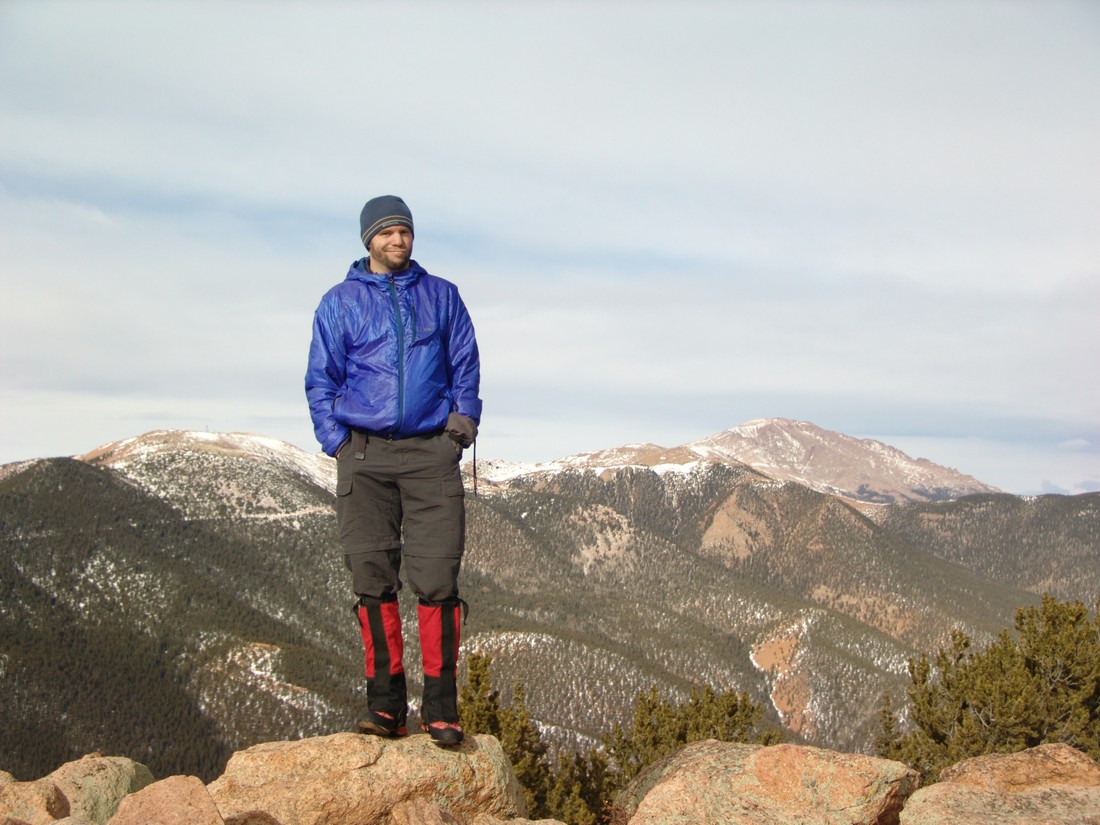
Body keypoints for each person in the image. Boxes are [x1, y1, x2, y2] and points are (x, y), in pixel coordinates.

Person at [305, 195, 482, 747]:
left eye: (404, 231)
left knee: (436, 582)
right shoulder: (339, 303)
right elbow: (320, 379)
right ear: (368, 240)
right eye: (386, 233)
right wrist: (336, 441)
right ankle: (385, 708)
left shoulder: (442, 297)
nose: (397, 241)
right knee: (372, 581)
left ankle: (441, 709)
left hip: (431, 453)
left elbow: (466, 363)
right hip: (364, 454)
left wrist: (460, 426)